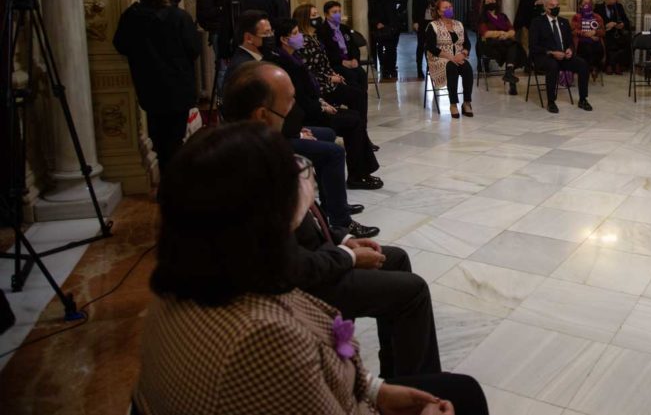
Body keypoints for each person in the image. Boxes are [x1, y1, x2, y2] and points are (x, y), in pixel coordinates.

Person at [135, 122, 488, 414]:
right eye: (292, 174)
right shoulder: (262, 335)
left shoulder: (197, 281)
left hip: (343, 386)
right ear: (259, 212)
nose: (305, 178)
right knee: (463, 397)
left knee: (462, 389)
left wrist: (377, 389)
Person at [221, 64, 438, 378]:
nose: (297, 109)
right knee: (412, 291)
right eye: (290, 102)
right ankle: (417, 389)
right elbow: (287, 263)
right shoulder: (248, 168)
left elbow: (309, 220)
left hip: (318, 253)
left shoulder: (263, 145)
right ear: (262, 115)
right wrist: (348, 257)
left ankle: (401, 374)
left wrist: (343, 239)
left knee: (397, 258)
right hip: (304, 283)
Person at [221, 62, 377, 238]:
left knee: (327, 134)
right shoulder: (253, 166)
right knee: (333, 152)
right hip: (282, 136)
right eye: (289, 99)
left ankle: (332, 205)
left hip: (285, 132)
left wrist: (298, 130)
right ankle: (342, 221)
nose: (293, 103)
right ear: (262, 115)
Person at [272, 18, 384, 192]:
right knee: (353, 121)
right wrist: (321, 106)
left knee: (355, 114)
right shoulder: (285, 63)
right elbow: (299, 96)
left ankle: (361, 171)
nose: (300, 36)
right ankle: (357, 175)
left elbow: (309, 89)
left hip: (314, 105)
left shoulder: (294, 57)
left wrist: (321, 101)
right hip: (308, 114)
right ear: (284, 39)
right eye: (295, 34)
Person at [113, 0, 201, 170]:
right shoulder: (179, 17)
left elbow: (121, 45)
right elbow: (194, 49)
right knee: (176, 138)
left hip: (149, 85)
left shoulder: (132, 16)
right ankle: (173, 184)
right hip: (177, 86)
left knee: (159, 139)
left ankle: (166, 181)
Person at [291, 4, 373, 131]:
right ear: (304, 19)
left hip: (329, 79)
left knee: (359, 88)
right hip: (321, 86)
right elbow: (309, 71)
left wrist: (334, 74)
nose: (317, 18)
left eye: (317, 14)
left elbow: (325, 63)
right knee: (356, 94)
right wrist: (330, 77)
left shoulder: (315, 37)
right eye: (313, 15)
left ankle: (362, 131)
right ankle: (360, 130)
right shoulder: (303, 42)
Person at [529, 0, 592, 113]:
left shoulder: (564, 22)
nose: (555, 8)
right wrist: (552, 52)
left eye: (557, 5)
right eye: (552, 6)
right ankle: (551, 101)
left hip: (563, 57)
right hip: (545, 57)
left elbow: (570, 42)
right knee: (553, 65)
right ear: (546, 8)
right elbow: (533, 46)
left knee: (582, 64)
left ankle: (583, 99)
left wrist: (570, 50)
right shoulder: (537, 22)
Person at [425, 0, 473, 119]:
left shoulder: (459, 24)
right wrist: (451, 57)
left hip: (458, 56)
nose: (449, 9)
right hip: (438, 58)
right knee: (451, 67)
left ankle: (467, 102)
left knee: (467, 67)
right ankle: (453, 104)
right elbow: (430, 47)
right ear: (439, 12)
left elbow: (467, 43)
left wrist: (463, 54)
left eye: (450, 7)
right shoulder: (433, 26)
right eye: (445, 8)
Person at [476, 0, 525, 95]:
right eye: (488, 2)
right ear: (484, 4)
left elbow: (512, 30)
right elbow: (485, 33)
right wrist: (500, 33)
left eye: (492, 0)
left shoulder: (503, 16)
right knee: (513, 48)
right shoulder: (482, 17)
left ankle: (509, 73)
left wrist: (506, 35)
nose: (490, 3)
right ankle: (511, 80)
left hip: (504, 42)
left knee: (512, 46)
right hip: (488, 45)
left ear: (496, 2)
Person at [320, 1, 368, 90]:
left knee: (362, 74)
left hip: (350, 60)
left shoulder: (345, 28)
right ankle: (354, 100)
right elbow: (325, 52)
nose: (338, 14)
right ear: (326, 15)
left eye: (339, 12)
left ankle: (362, 100)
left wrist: (354, 59)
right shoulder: (322, 31)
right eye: (334, 12)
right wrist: (341, 62)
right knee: (351, 76)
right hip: (335, 63)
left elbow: (354, 47)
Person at [369, 0, 408, 79]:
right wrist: (376, 23)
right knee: (381, 48)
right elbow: (371, 13)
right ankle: (384, 68)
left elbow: (404, 0)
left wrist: (397, 13)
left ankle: (392, 68)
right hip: (380, 27)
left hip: (392, 26)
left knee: (392, 49)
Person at [222, 9, 273, 86]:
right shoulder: (243, 68)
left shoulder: (256, 59)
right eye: (266, 33)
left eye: (271, 32)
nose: (271, 36)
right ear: (249, 38)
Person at [412, 0, 443, 79]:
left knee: (433, 44)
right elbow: (415, 6)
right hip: (422, 20)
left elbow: (441, 4)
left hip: (434, 20)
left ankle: (432, 67)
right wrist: (415, 21)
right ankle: (419, 69)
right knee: (421, 45)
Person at [594, 0, 632, 74]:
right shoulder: (599, 7)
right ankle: (609, 65)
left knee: (625, 41)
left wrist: (622, 24)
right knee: (609, 41)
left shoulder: (619, 7)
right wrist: (605, 25)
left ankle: (618, 64)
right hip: (605, 32)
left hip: (617, 32)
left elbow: (626, 20)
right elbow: (595, 22)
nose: (614, 0)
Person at [571, 0, 606, 81]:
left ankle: (593, 67)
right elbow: (573, 31)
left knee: (598, 48)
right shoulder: (576, 17)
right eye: (585, 3)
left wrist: (595, 32)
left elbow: (603, 31)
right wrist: (587, 34)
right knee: (587, 49)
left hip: (596, 41)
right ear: (580, 6)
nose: (587, 5)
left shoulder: (597, 17)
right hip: (581, 42)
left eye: (589, 3)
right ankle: (589, 69)